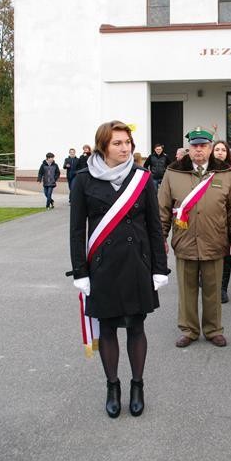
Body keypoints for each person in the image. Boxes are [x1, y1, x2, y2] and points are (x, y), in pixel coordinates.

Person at [68, 120, 169, 419]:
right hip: (102, 267)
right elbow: (76, 231)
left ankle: (137, 385)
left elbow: (154, 227)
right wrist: (80, 272)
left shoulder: (142, 178)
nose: (125, 148)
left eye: (128, 143)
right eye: (117, 143)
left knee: (137, 327)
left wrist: (159, 268)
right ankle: (113, 386)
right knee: (108, 327)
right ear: (103, 146)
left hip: (137, 264)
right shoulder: (84, 180)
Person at [158, 127, 231, 348]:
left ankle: (213, 329)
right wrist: (160, 237)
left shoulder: (225, 174)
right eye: (195, 146)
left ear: (210, 148)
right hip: (185, 240)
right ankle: (189, 330)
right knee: (186, 291)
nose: (199, 150)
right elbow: (163, 208)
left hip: (215, 241)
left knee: (213, 289)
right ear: (189, 148)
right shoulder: (173, 172)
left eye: (203, 146)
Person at [213, 140, 231, 304]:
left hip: (226, 222)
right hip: (209, 222)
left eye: (223, 150)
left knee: (226, 257)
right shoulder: (204, 171)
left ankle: (222, 288)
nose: (220, 152)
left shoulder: (230, 173)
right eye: (217, 149)